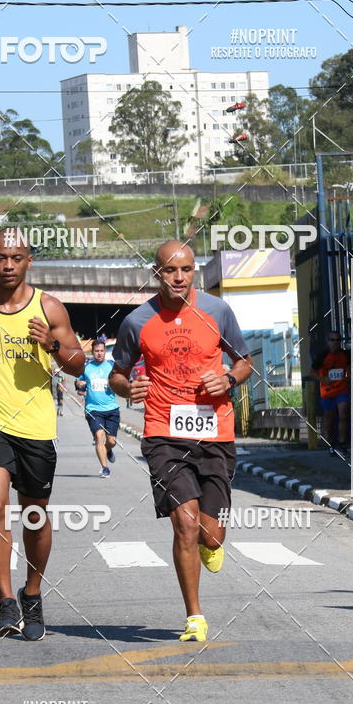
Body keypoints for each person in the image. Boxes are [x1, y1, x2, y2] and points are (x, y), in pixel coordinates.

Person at [109, 241, 252, 642]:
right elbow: (116, 375)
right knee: (185, 525)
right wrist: (128, 388)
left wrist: (227, 379)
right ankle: (194, 615)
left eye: (186, 270)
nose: (179, 277)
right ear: (156, 274)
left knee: (210, 533)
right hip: (163, 435)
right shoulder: (137, 321)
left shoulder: (217, 311)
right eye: (170, 270)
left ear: (194, 272)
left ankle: (213, 540)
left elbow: (244, 362)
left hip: (215, 432)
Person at [0, 229, 84, 640]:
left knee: (34, 515)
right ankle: (5, 601)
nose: (8, 265)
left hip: (35, 425)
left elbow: (78, 364)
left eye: (16, 257)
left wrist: (50, 344)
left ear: (28, 260)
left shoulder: (48, 307)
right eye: (0, 258)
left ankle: (31, 592)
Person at [75, 339, 120, 478]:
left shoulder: (112, 366)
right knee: (99, 436)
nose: (99, 354)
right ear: (92, 352)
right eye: (96, 351)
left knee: (111, 441)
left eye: (101, 351)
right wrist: (79, 384)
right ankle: (105, 468)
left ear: (105, 352)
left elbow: (121, 380)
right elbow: (78, 383)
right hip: (93, 409)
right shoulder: (86, 367)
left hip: (111, 408)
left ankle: (108, 450)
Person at [310, 330, 350, 456]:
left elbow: (350, 366)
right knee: (330, 419)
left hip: (342, 390)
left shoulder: (346, 354)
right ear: (328, 341)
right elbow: (311, 372)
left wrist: (349, 374)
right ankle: (331, 445)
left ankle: (343, 445)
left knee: (343, 415)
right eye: (332, 340)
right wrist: (323, 379)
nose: (335, 343)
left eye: (338, 340)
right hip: (327, 392)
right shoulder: (322, 356)